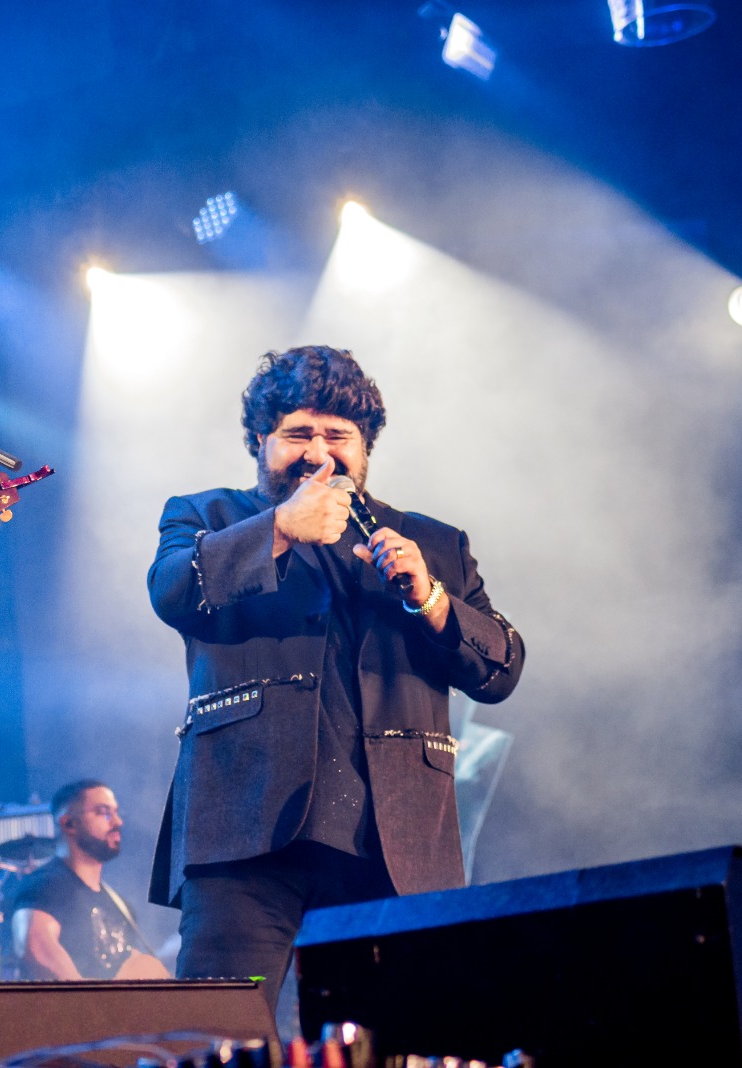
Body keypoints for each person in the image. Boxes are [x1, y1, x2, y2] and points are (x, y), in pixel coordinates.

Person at [147, 345, 524, 1012]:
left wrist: (432, 598)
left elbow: (501, 670)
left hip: (396, 845)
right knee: (217, 1033)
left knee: (401, 1040)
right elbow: (173, 590)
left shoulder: (433, 543)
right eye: (297, 433)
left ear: (365, 447)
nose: (318, 451)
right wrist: (279, 530)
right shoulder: (208, 516)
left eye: (337, 435)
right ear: (260, 441)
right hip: (244, 839)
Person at [10, 780, 168, 980]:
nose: (118, 822)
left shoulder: (120, 905)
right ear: (69, 823)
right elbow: (35, 947)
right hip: (74, 1010)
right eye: (103, 812)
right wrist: (90, 1005)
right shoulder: (46, 885)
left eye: (116, 812)